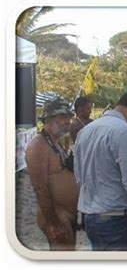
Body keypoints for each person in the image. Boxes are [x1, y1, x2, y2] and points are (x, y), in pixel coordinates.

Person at [74, 91, 127, 251]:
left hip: (91, 218)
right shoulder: (126, 131)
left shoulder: (85, 131)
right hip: (117, 220)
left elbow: (79, 176)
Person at [25, 97, 78, 251]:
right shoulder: (38, 146)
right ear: (47, 120)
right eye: (62, 117)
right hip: (57, 215)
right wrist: (53, 223)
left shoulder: (56, 141)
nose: (67, 121)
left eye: (68, 117)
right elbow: (40, 188)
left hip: (68, 214)